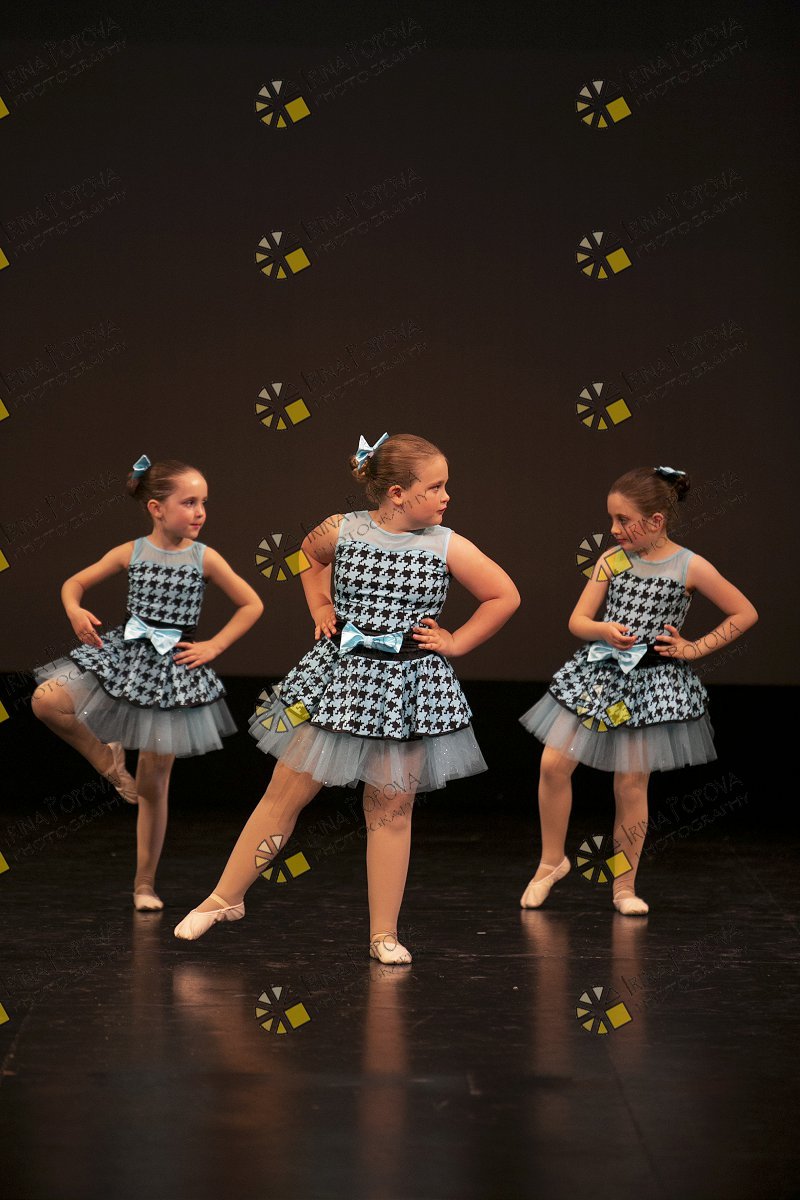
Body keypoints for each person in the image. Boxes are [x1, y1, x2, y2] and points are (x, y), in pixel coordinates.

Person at [173, 431, 521, 962]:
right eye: (435, 487)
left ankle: (384, 933)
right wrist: (320, 606)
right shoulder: (343, 528)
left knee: (390, 809)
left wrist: (456, 641)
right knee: (285, 790)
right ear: (397, 493)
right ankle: (225, 897)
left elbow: (503, 595)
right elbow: (309, 558)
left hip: (406, 686)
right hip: (340, 679)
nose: (447, 496)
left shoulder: (446, 543)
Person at [518, 465, 758, 916]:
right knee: (553, 763)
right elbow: (578, 621)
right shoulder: (612, 560)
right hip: (601, 676)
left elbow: (744, 612)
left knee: (630, 783)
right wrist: (603, 630)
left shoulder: (689, 565)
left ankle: (624, 886)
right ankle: (551, 861)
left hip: (650, 685)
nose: (613, 529)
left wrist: (693, 648)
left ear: (656, 521)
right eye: (612, 518)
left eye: (623, 520)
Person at [30, 454, 264, 911]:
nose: (200, 512)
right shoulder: (131, 552)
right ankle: (107, 758)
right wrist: (75, 610)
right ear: (156, 508)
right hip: (125, 655)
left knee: (154, 782)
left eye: (204, 502)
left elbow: (251, 603)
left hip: (171, 671)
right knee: (46, 700)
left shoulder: (204, 557)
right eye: (189, 502)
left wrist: (214, 646)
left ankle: (144, 883)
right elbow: (73, 584)